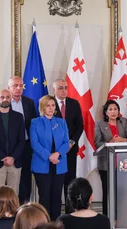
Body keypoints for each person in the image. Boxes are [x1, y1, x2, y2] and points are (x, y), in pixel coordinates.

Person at [0, 76, 38, 205]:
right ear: (9, 88)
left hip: (25, 146)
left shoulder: (29, 102)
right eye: (15, 86)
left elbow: (33, 125)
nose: (18, 88)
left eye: (20, 85)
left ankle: (23, 206)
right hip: (7, 150)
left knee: (24, 178)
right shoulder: (2, 103)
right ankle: (5, 209)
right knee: (6, 180)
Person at [30, 95, 69, 220]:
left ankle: (56, 223)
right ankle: (44, 223)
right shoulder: (35, 122)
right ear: (42, 107)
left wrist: (57, 154)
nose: (51, 108)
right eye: (48, 105)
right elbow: (34, 143)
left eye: (53, 105)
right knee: (45, 196)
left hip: (59, 163)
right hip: (42, 164)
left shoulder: (61, 122)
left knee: (57, 196)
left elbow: (66, 142)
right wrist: (49, 156)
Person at [94, 100, 127, 216]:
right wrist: (110, 142)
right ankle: (107, 217)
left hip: (123, 163)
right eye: (110, 109)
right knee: (107, 192)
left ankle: (121, 216)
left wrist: (123, 140)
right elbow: (97, 143)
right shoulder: (100, 124)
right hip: (106, 163)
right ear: (106, 112)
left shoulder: (123, 122)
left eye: (115, 109)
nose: (113, 112)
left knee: (121, 191)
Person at [0, 89, 25, 194]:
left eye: (7, 97)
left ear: (11, 99)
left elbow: (21, 140)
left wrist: (12, 157)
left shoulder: (19, 117)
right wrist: (3, 157)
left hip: (14, 161)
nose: (5, 99)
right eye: (2, 97)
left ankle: (12, 211)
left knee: (13, 194)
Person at [52, 79, 83, 213]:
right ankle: (55, 213)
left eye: (65, 87)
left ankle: (70, 213)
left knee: (70, 182)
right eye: (60, 88)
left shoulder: (74, 103)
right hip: (54, 152)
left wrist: (71, 142)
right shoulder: (49, 104)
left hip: (70, 150)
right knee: (56, 183)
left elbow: (79, 126)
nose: (64, 90)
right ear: (54, 90)